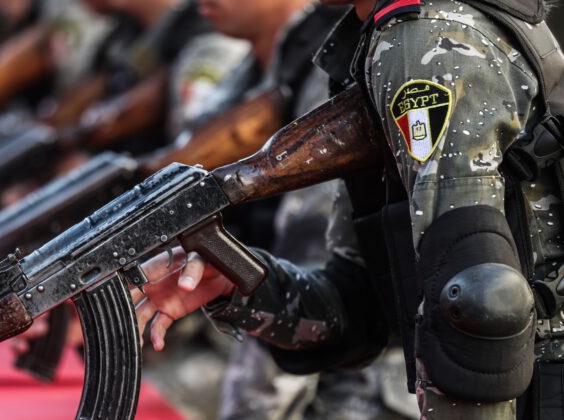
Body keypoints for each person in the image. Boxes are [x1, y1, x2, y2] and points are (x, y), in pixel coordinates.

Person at [134, 0, 564, 419]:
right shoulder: (377, 38)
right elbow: (360, 307)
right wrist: (240, 283)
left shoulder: (425, 36)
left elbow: (479, 302)